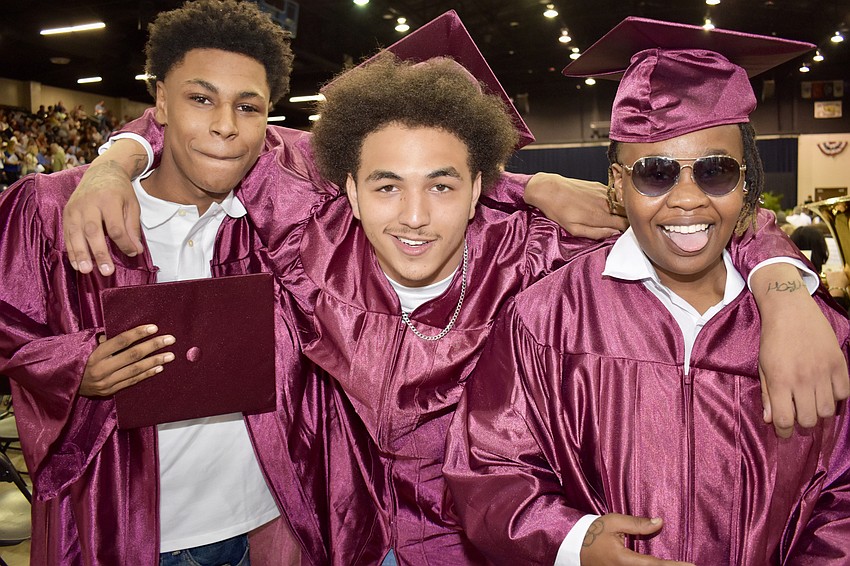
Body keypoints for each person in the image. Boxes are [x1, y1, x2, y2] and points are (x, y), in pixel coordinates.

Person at [444, 17, 850, 566]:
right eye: (655, 174)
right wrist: (574, 543)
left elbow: (842, 499)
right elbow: (490, 469)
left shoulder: (816, 334)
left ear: (747, 184)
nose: (687, 199)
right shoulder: (546, 318)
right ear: (616, 185)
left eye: (716, 172)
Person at [0, 1, 318, 564]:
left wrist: (528, 185)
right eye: (201, 99)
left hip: (260, 523)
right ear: (161, 102)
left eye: (248, 107)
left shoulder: (279, 213)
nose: (225, 125)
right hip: (132, 533)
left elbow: (412, 163)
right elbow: (9, 332)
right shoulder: (55, 210)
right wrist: (77, 370)